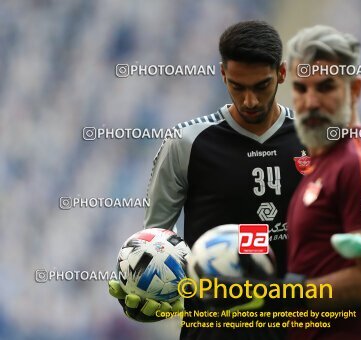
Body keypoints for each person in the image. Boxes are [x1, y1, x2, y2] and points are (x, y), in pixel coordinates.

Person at [108, 20, 305, 340]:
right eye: (238, 87)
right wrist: (144, 286)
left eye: (262, 86)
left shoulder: (314, 142)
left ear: (281, 74)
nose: (250, 100)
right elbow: (157, 239)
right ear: (223, 74)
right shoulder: (186, 142)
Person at [284, 25, 361, 340]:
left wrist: (281, 299)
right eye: (300, 88)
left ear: (355, 90)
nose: (310, 102)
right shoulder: (321, 163)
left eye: (325, 88)